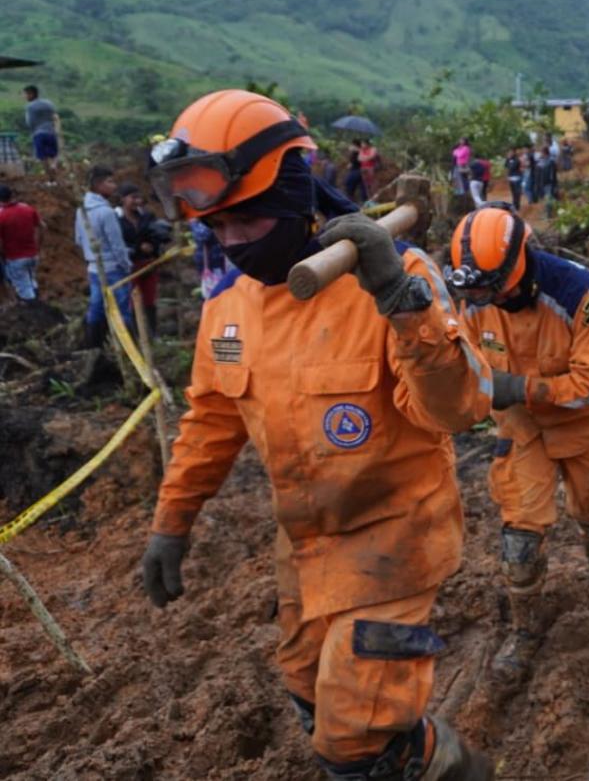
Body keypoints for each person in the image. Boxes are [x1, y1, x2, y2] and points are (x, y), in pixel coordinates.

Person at [140, 89, 494, 780]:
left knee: (354, 740)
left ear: (292, 197)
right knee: (308, 692)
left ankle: (450, 767)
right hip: (303, 548)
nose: (232, 241)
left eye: (247, 219)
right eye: (217, 225)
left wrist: (401, 303)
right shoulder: (228, 310)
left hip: (396, 540)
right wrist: (171, 521)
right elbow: (210, 423)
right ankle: (429, 758)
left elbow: (462, 408)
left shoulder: (395, 279)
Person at [447, 205, 589, 686]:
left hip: (586, 423)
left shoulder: (582, 296)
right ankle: (524, 630)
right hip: (524, 428)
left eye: (496, 290)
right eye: (479, 293)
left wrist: (520, 388)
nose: (489, 300)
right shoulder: (475, 300)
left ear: (521, 260)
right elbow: (466, 361)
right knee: (519, 535)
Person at [75, 166, 133, 347]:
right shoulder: (106, 212)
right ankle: (128, 345)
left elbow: (78, 239)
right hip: (113, 268)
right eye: (110, 182)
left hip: (93, 268)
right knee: (123, 308)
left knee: (96, 306)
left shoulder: (81, 210)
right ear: (98, 185)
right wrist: (126, 265)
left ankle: (93, 345)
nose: (114, 186)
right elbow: (117, 245)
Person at [116, 183, 170, 335]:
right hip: (129, 265)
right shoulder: (116, 219)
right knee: (131, 299)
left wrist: (153, 245)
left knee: (149, 299)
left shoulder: (147, 216)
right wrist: (138, 248)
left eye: (138, 198)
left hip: (148, 263)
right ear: (123, 199)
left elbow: (157, 235)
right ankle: (136, 334)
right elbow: (117, 243)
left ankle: (152, 333)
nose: (137, 201)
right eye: (133, 198)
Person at [0, 184, 45, 302]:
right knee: (31, 281)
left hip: (15, 258)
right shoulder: (27, 208)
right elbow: (42, 227)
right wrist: (38, 246)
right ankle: (40, 305)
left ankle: (33, 308)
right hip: (32, 254)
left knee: (23, 289)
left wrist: (3, 255)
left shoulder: (1, 215)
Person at [23, 85, 59, 181]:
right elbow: (54, 116)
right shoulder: (49, 103)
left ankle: (51, 179)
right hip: (51, 133)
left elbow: (29, 122)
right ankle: (54, 166)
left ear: (31, 94)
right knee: (54, 154)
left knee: (43, 157)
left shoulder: (30, 106)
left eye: (25, 94)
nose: (24, 97)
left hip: (38, 134)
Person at [190, 218, 229, 300]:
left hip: (216, 259)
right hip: (209, 260)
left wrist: (193, 223)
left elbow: (203, 236)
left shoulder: (207, 219)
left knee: (219, 288)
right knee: (211, 286)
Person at [535, 146, 558, 217]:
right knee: (546, 198)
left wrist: (553, 184)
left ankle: (549, 214)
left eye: (541, 152)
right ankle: (547, 212)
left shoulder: (550, 161)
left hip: (548, 183)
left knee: (548, 198)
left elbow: (552, 174)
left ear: (544, 153)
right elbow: (538, 174)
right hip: (543, 183)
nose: (540, 154)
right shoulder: (541, 161)